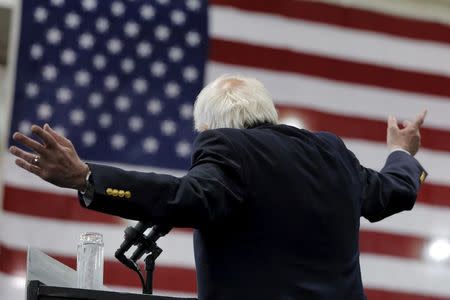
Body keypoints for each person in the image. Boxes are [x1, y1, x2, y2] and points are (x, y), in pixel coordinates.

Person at [10, 75, 427, 300]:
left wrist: (86, 178)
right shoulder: (332, 152)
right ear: (268, 112)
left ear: (207, 128)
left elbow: (184, 198)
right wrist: (402, 152)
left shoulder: (226, 146)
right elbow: (394, 192)